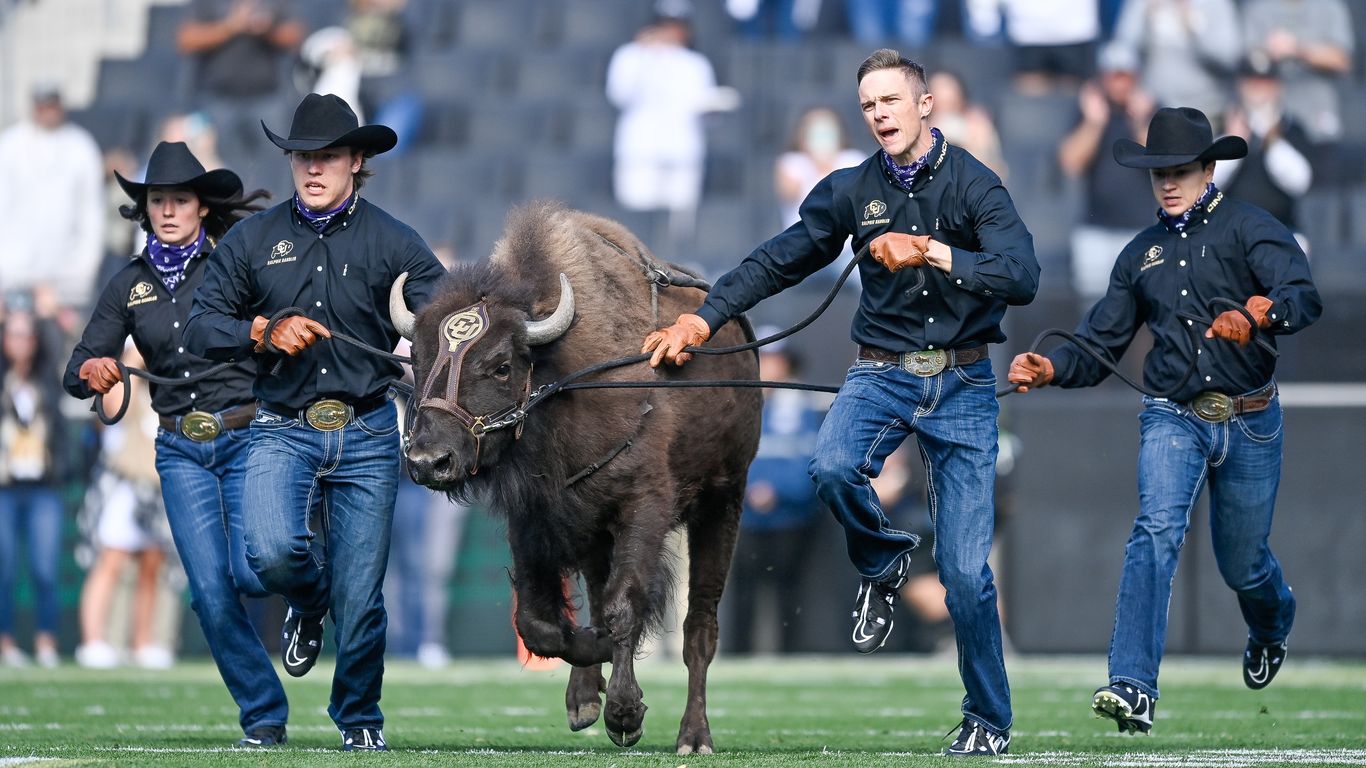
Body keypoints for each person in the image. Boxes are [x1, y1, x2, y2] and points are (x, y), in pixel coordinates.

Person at [642, 49, 1038, 756]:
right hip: (881, 371)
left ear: (925, 105)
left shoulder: (977, 187)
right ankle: (883, 560)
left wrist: (931, 251)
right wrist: (703, 318)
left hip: (964, 382)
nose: (879, 113)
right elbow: (777, 258)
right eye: (869, 105)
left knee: (968, 577)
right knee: (830, 468)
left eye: (891, 100)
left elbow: (1022, 275)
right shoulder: (851, 190)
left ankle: (987, 719)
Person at [1008, 106, 1322, 735]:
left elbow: (1302, 296)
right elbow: (1099, 345)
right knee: (1154, 530)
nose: (1170, 183)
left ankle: (1271, 623)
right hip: (1172, 415)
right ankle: (1133, 685)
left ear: (1209, 169)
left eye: (1181, 171)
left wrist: (1261, 315)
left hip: (1250, 417)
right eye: (1160, 173)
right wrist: (1051, 367)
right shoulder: (1140, 255)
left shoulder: (1252, 227)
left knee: (1245, 565)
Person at [183, 93, 448, 752]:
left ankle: (359, 716)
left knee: (361, 600)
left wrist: (431, 344)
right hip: (282, 425)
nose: (313, 168)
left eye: (327, 156)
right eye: (303, 157)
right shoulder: (253, 239)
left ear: (357, 161)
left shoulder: (396, 241)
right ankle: (306, 601)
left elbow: (445, 318)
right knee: (269, 554)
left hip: (366, 430)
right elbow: (200, 323)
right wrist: (262, 329)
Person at [63, 140, 287, 743]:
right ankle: (263, 715)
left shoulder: (234, 265)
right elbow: (80, 363)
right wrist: (93, 371)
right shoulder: (128, 285)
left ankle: (309, 596)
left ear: (201, 208)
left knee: (259, 565)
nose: (167, 210)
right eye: (158, 200)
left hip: (246, 436)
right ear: (145, 210)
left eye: (179, 200)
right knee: (210, 595)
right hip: (180, 450)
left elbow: (283, 325)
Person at [723, 334, 828, 654]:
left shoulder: (802, 406)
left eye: (775, 359)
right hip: (743, 518)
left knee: (789, 595)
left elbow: (810, 457)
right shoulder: (735, 403)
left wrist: (780, 491)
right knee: (740, 596)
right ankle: (737, 658)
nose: (768, 367)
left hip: (791, 518)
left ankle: (789, 656)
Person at [606, 6, 738, 261]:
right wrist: (645, 54)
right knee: (634, 220)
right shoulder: (631, 56)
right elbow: (618, 93)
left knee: (682, 222)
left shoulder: (696, 64)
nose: (671, 32)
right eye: (666, 25)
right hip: (639, 152)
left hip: (683, 153)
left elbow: (705, 111)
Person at [72, 344, 175, 671]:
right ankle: (93, 641)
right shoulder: (120, 377)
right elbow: (113, 409)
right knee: (110, 561)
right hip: (124, 483)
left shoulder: (164, 383)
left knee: (151, 565)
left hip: (157, 486)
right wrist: (131, 359)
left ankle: (142, 643)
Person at [0, 298, 71, 669]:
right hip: (6, 487)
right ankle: (6, 643)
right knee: (5, 570)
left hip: (43, 485)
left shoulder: (44, 377)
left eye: (26, 335)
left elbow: (54, 347)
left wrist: (44, 315)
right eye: (12, 334)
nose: (20, 341)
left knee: (45, 568)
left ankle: (46, 642)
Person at [1058, 42, 1158, 303]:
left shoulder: (1152, 109)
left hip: (1142, 229)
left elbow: (1161, 160)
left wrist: (1140, 121)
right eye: (1114, 76)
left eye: (1125, 76)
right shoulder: (1089, 112)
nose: (1119, 84)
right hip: (1095, 231)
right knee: (1094, 310)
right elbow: (1070, 162)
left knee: (1145, 307)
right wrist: (1094, 123)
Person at [0, 84, 105, 313]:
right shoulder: (9, 145)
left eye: (51, 105)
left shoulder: (82, 146)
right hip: (13, 277)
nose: (47, 111)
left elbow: (92, 216)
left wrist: (80, 275)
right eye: (42, 105)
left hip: (66, 284)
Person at [177, 0, 306, 179]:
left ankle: (274, 206)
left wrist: (267, 29)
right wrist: (230, 26)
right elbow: (186, 40)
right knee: (219, 170)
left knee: (277, 168)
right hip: (218, 99)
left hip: (267, 98)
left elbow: (295, 37)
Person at [1241, 0, 1354, 145]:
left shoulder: (1328, 6)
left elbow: (1343, 61)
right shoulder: (1258, 8)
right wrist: (1267, 52)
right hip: (1271, 120)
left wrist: (1297, 49)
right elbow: (1245, 66)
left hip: (1317, 117)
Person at [1111, 0, 1242, 119]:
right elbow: (1122, 50)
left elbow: (1228, 58)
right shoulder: (1143, 3)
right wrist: (1146, 18)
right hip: (1155, 110)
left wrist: (1191, 25)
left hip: (1205, 112)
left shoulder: (1216, 4)